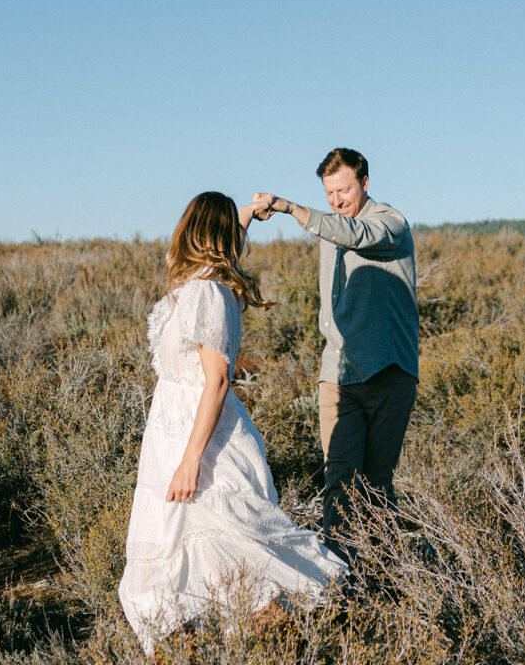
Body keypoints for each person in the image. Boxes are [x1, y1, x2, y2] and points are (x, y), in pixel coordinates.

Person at [118, 191, 346, 652]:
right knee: (201, 567)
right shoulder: (206, 284)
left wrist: (190, 461)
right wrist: (248, 213)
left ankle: (304, 644)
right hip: (175, 441)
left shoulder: (206, 292)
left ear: (192, 230)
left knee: (237, 561)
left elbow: (217, 381)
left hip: (203, 447)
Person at [255, 148, 419, 561]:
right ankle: (338, 576)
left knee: (377, 484)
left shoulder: (390, 223)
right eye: (329, 193)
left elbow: (356, 235)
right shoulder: (333, 228)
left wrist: (292, 208)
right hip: (338, 373)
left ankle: (384, 574)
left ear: (364, 183)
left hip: (389, 372)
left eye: (343, 190)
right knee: (339, 478)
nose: (336, 200)